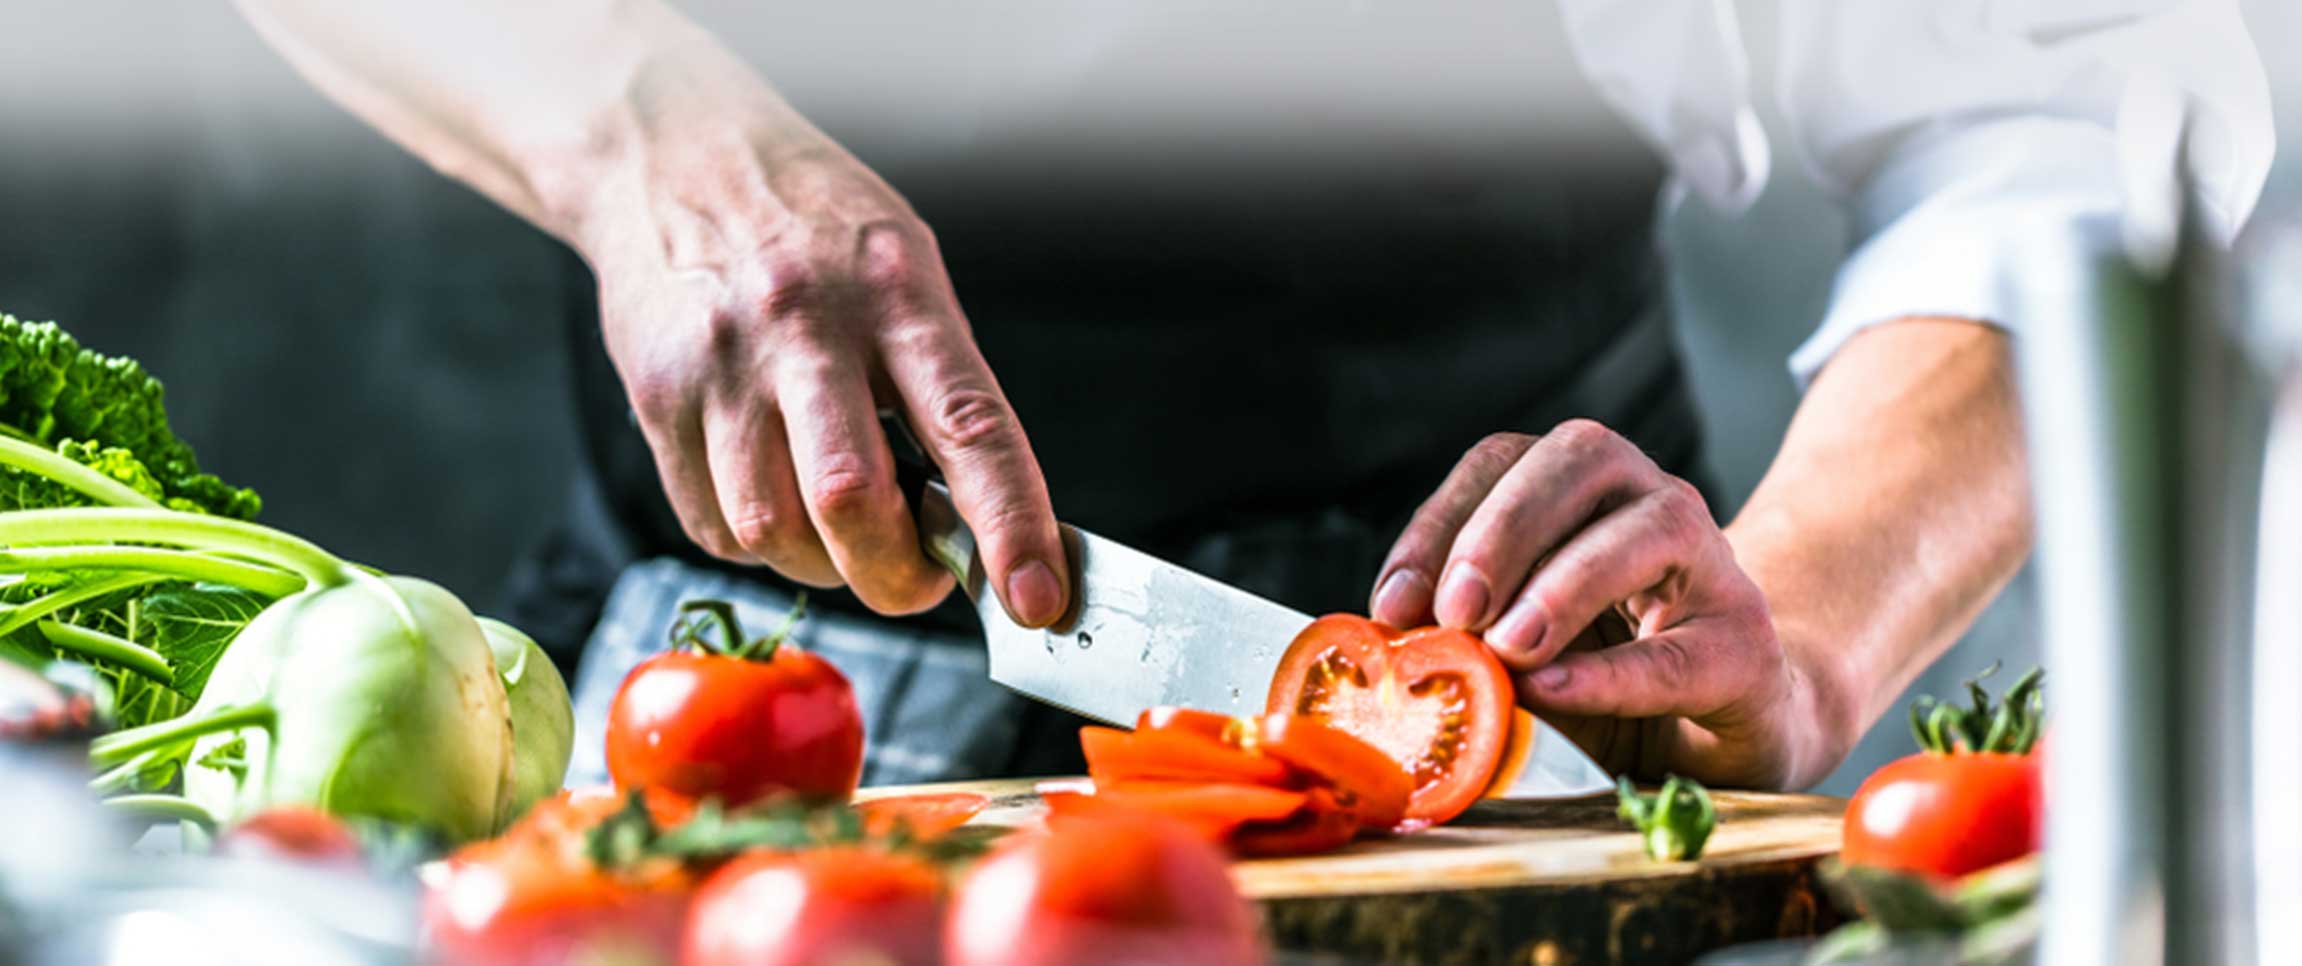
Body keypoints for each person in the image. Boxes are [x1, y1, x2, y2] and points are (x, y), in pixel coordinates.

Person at [229, 0, 2272, 790]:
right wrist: (634, 129)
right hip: (708, 734)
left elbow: (2068, 114)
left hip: (1489, 769)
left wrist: (1808, 623)